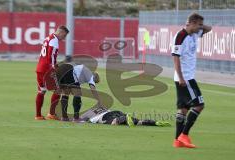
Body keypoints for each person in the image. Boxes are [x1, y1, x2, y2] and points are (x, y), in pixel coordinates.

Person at [171, 12, 212, 148]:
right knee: (199, 105)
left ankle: (177, 140)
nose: (201, 28)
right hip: (186, 78)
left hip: (186, 77)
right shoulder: (180, 36)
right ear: (192, 23)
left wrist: (198, 25)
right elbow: (175, 58)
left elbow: (209, 28)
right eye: (198, 25)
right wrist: (182, 78)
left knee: (183, 109)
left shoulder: (194, 34)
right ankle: (184, 135)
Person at [35, 25, 69, 120]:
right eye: (64, 36)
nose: (64, 38)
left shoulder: (47, 38)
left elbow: (46, 56)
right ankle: (51, 114)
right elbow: (51, 56)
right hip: (47, 70)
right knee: (58, 90)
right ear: (61, 32)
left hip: (40, 68)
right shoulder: (54, 41)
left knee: (41, 91)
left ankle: (38, 115)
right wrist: (54, 68)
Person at [80, 107, 171, 127]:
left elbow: (82, 119)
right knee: (138, 122)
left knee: (114, 123)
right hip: (115, 111)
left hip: (106, 116)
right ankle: (155, 122)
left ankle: (125, 118)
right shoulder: (100, 108)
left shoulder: (92, 118)